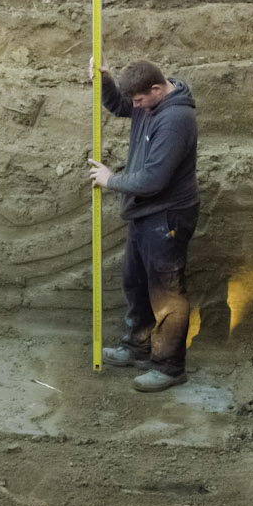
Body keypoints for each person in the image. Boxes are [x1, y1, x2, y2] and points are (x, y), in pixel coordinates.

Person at [88, 59, 199, 392]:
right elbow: (121, 105)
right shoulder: (148, 103)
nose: (134, 108)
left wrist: (111, 180)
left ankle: (168, 367)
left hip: (167, 216)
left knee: (166, 295)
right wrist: (105, 80)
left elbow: (154, 179)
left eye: (138, 101)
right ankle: (137, 348)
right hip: (144, 213)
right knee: (135, 283)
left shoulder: (176, 119)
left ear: (156, 89)